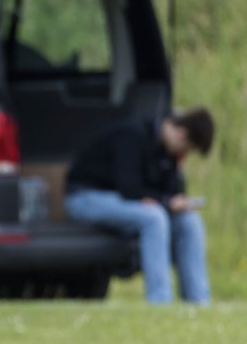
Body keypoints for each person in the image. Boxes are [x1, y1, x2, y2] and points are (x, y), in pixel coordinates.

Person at [64, 108, 215, 304]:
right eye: (187, 150)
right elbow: (129, 188)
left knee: (190, 221)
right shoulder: (132, 135)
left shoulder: (168, 155)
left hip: (122, 201)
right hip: (86, 197)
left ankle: (199, 303)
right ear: (181, 135)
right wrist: (167, 203)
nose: (184, 155)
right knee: (154, 218)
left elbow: (169, 192)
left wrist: (176, 183)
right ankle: (160, 302)